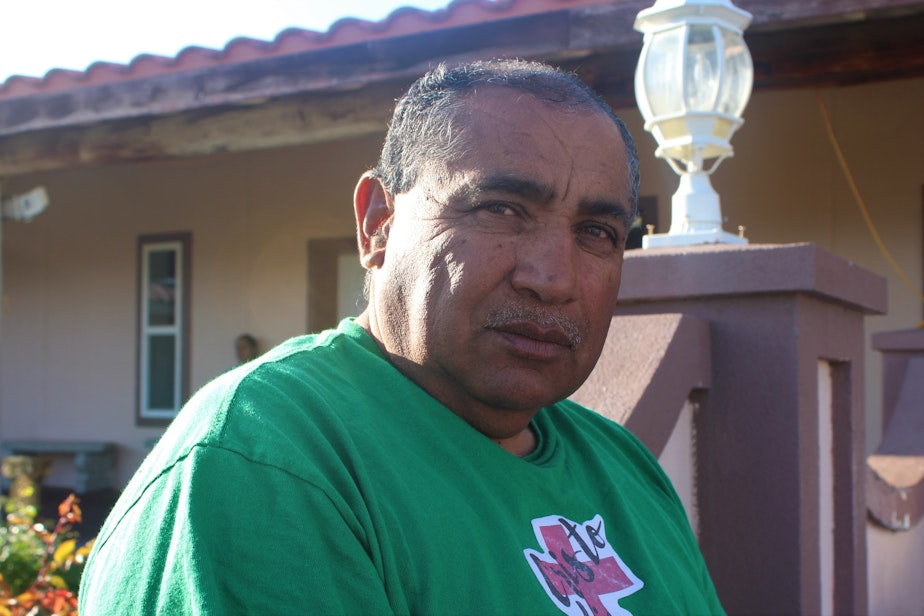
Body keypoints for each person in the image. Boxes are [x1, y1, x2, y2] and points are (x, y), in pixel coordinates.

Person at [79, 59, 724, 615]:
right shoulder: (266, 462)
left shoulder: (627, 471)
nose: (553, 279)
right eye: (500, 209)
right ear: (377, 225)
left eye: (597, 232)